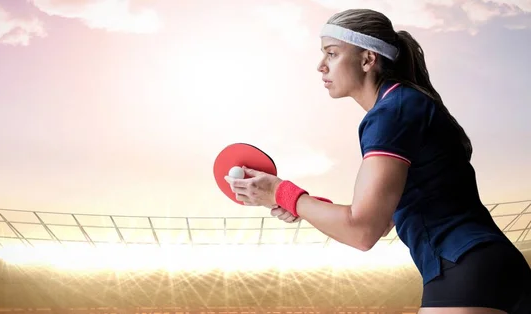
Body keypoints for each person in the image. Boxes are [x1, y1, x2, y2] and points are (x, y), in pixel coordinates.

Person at [224, 8, 531, 314]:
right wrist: (301, 204)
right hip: (497, 268)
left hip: (463, 269)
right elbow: (381, 220)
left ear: (368, 59)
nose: (321, 66)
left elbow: (363, 231)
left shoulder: (391, 113)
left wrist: (282, 193)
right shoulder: (405, 103)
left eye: (331, 54)